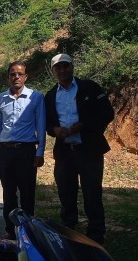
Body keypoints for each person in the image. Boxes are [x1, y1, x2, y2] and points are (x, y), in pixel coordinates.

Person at [45, 53, 114, 244]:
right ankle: (68, 232)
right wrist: (54, 130)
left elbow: (107, 112)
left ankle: (96, 235)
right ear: (53, 71)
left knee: (92, 194)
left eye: (65, 66)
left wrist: (82, 125)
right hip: (65, 152)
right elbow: (48, 123)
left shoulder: (89, 88)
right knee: (66, 194)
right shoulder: (50, 95)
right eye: (58, 67)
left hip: (89, 150)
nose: (62, 70)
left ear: (72, 67)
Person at [0, 60, 46, 240]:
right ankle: (10, 230)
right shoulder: (0, 99)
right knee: (8, 193)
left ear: (25, 77)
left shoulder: (36, 97)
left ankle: (28, 230)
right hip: (6, 152)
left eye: (20, 74)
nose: (16, 77)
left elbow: (41, 125)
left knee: (27, 192)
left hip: (26, 151)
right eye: (12, 74)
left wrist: (40, 152)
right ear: (8, 77)